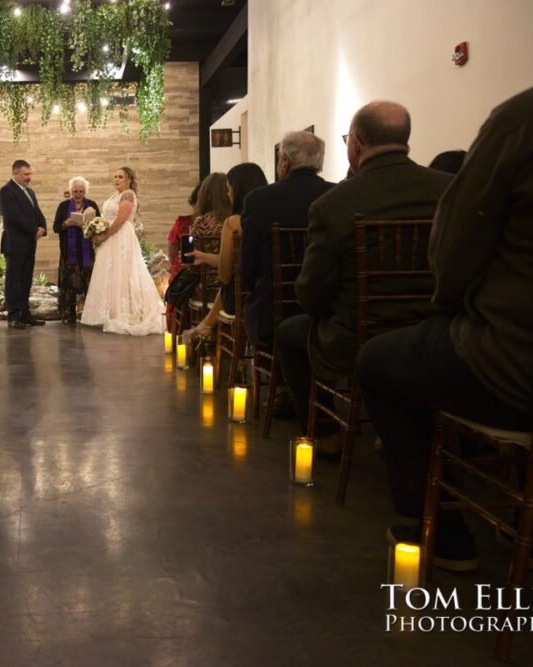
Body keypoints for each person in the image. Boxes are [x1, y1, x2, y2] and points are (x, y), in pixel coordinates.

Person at [356, 0, 533, 572]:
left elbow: (452, 255)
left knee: (382, 361)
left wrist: (452, 307)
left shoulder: (530, 119)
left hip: (520, 369)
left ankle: (435, 526)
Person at [275, 101, 453, 457]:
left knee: (288, 332)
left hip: (358, 334)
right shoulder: (449, 190)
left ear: (354, 144)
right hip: (438, 334)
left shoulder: (335, 204)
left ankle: (325, 433)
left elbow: (311, 294)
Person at [239, 132, 335, 343]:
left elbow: (248, 270)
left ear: (284, 162)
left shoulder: (259, 200)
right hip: (328, 312)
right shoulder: (337, 195)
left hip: (271, 314)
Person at [185, 164, 269, 342]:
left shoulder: (232, 223)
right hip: (273, 292)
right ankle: (205, 326)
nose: (228, 194)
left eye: (230, 189)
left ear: (237, 190)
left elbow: (225, 275)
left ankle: (205, 326)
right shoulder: (271, 217)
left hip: (245, 298)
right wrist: (204, 257)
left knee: (230, 283)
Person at [81, 167, 164, 336]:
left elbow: (120, 219)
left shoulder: (128, 195)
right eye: (115, 177)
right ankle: (108, 311)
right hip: (111, 236)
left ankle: (126, 312)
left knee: (123, 271)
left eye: (120, 177)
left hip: (120, 236)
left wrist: (104, 235)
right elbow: (108, 218)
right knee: (110, 272)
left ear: (128, 180)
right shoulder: (114, 195)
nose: (116, 180)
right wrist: (97, 228)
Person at [0, 159, 47, 329]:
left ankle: (25, 314)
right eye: (26, 174)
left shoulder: (30, 192)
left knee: (26, 280)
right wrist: (34, 230)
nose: (29, 177)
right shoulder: (7, 191)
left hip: (29, 244)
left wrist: (43, 227)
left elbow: (37, 212)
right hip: (15, 244)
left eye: (30, 174)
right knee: (14, 281)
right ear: (15, 173)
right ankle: (13, 316)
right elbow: (14, 216)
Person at [52, 176, 101, 323]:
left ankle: (90, 316)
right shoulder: (63, 206)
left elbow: (100, 225)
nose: (78, 194)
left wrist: (89, 225)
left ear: (85, 191)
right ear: (71, 191)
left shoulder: (91, 205)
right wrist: (66, 223)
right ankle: (69, 315)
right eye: (75, 191)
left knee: (89, 285)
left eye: (81, 191)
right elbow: (56, 228)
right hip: (68, 254)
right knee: (69, 287)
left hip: (87, 253)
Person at [165, 182, 201, 332]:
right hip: (218, 282)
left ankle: (177, 332)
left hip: (189, 278)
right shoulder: (229, 223)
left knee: (178, 280)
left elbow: (173, 256)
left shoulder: (185, 223)